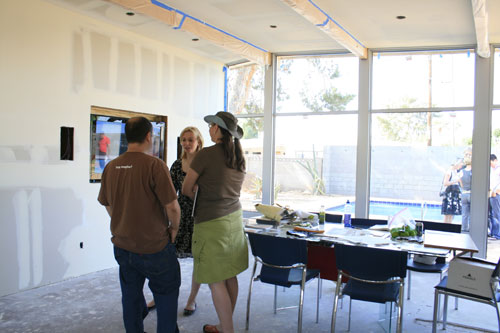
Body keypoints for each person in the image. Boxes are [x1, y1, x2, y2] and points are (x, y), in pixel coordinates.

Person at [98, 116, 181, 333]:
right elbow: (172, 206)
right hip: (155, 247)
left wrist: (123, 220)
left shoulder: (111, 167)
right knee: (166, 295)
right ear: (148, 136)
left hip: (123, 246)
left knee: (131, 297)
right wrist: (174, 229)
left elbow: (107, 204)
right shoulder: (155, 165)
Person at [182, 111, 248, 333]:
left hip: (211, 222)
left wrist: (201, 192)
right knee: (229, 274)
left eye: (211, 125)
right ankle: (224, 325)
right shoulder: (238, 157)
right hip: (235, 221)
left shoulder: (206, 155)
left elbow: (186, 188)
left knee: (214, 279)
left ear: (218, 129)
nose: (209, 128)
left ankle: (227, 329)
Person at [147, 126, 204, 316]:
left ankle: (192, 299)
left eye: (190, 140)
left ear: (198, 141)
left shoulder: (205, 164)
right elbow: (169, 193)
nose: (187, 143)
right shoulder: (177, 165)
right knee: (168, 258)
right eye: (183, 140)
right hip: (180, 214)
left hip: (200, 215)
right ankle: (160, 295)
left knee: (199, 260)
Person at [441, 159, 463, 223]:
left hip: (455, 193)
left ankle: (449, 226)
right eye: (460, 164)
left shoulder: (456, 172)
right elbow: (445, 183)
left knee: (451, 213)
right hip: (450, 193)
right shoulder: (449, 172)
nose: (461, 166)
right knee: (447, 213)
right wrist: (455, 181)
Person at [460, 151, 472, 232]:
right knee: (472, 213)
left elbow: (460, 182)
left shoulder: (461, 171)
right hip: (471, 193)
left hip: (464, 193)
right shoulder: (473, 171)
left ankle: (464, 228)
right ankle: (471, 228)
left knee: (464, 214)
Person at [490, 154, 500, 239]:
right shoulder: (491, 169)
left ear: (494, 160)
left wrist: (496, 191)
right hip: (490, 194)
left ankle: (497, 234)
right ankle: (493, 232)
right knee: (492, 214)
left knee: (497, 214)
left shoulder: (498, 169)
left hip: (496, 194)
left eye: (491, 162)